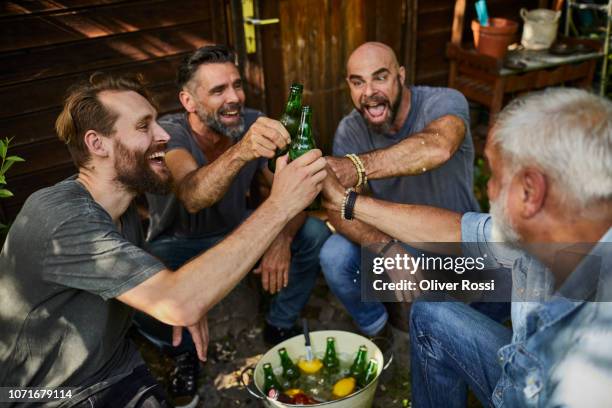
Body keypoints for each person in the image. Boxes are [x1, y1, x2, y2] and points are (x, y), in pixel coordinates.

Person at [0, 73, 327, 408]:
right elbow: (178, 302)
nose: (164, 135)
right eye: (144, 127)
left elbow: (142, 272)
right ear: (97, 144)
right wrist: (279, 205)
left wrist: (181, 293)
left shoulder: (121, 211)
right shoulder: (61, 217)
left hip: (113, 369)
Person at [321, 87, 612, 407]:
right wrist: (347, 201)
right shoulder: (557, 224)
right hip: (521, 369)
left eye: (495, 176)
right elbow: (458, 231)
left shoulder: (590, 364)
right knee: (429, 315)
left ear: (530, 192)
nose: (488, 188)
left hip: (525, 397)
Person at [140, 45, 330, 404]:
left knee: (313, 234)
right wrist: (243, 149)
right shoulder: (169, 133)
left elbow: (296, 188)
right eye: (218, 90)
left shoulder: (254, 122)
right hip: (178, 244)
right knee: (140, 284)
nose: (234, 99)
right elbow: (192, 194)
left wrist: (280, 238)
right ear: (188, 100)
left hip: (234, 231)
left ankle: (279, 322)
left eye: (237, 86)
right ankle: (179, 352)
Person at [320, 41, 481, 336]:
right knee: (334, 256)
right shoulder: (350, 129)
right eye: (358, 82)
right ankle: (377, 331)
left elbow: (438, 146)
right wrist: (387, 248)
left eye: (380, 77)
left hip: (453, 240)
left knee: (449, 328)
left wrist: (356, 166)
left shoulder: (443, 102)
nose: (369, 93)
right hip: (397, 240)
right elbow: (337, 208)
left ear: (401, 75)